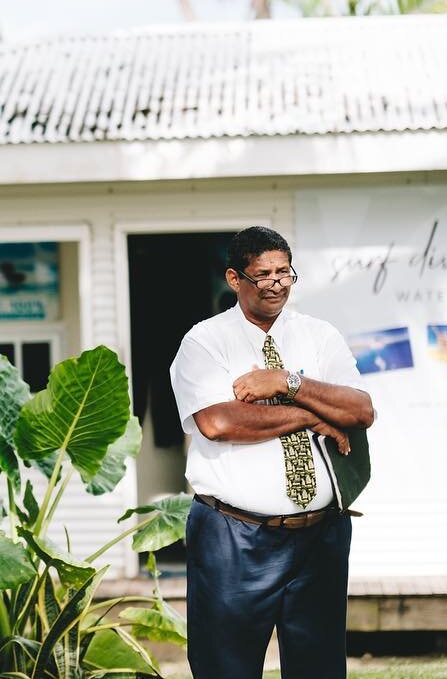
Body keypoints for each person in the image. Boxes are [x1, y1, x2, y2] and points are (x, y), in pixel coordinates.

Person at [170, 226, 375, 679]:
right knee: (228, 668)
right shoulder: (205, 342)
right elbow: (218, 422)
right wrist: (310, 416)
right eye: (263, 274)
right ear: (234, 278)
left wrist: (288, 383)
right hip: (234, 537)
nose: (277, 283)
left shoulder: (319, 336)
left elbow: (360, 410)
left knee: (319, 669)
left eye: (285, 272)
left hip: (320, 536)